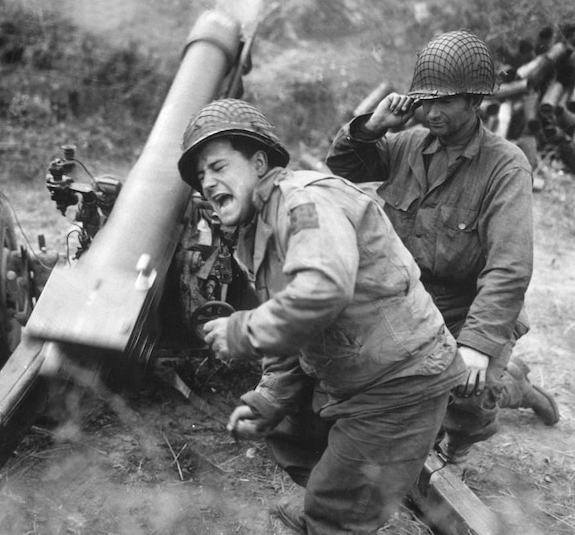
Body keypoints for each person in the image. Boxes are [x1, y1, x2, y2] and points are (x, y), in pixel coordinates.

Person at [178, 98, 467, 534]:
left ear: (259, 163)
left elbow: (323, 291)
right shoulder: (258, 230)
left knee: (333, 513)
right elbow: (292, 327)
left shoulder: (303, 204)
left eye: (218, 166)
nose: (208, 183)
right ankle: (341, 497)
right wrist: (269, 398)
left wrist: (242, 330)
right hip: (355, 374)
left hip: (400, 383)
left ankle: (339, 513)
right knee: (286, 431)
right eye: (201, 176)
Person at [326, 30, 559, 465]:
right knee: (360, 372)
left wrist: (477, 343)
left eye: (445, 102)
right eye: (425, 101)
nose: (431, 112)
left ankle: (511, 390)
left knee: (468, 395)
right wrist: (373, 127)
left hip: (466, 307)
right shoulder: (407, 145)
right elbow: (341, 167)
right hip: (407, 300)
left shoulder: (506, 166)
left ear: (474, 101)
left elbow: (509, 268)